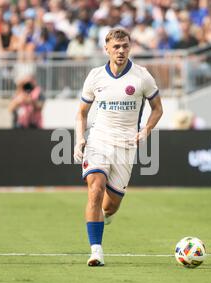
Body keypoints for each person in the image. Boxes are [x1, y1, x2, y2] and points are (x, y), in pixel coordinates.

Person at [73, 28, 163, 267]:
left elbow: (158, 109)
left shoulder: (142, 76)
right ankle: (96, 251)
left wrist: (146, 129)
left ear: (130, 47)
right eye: (116, 47)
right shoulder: (95, 76)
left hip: (125, 145)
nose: (121, 51)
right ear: (107, 49)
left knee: (111, 205)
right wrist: (80, 138)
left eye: (125, 46)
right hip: (98, 140)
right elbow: (82, 113)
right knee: (95, 188)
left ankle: (105, 216)